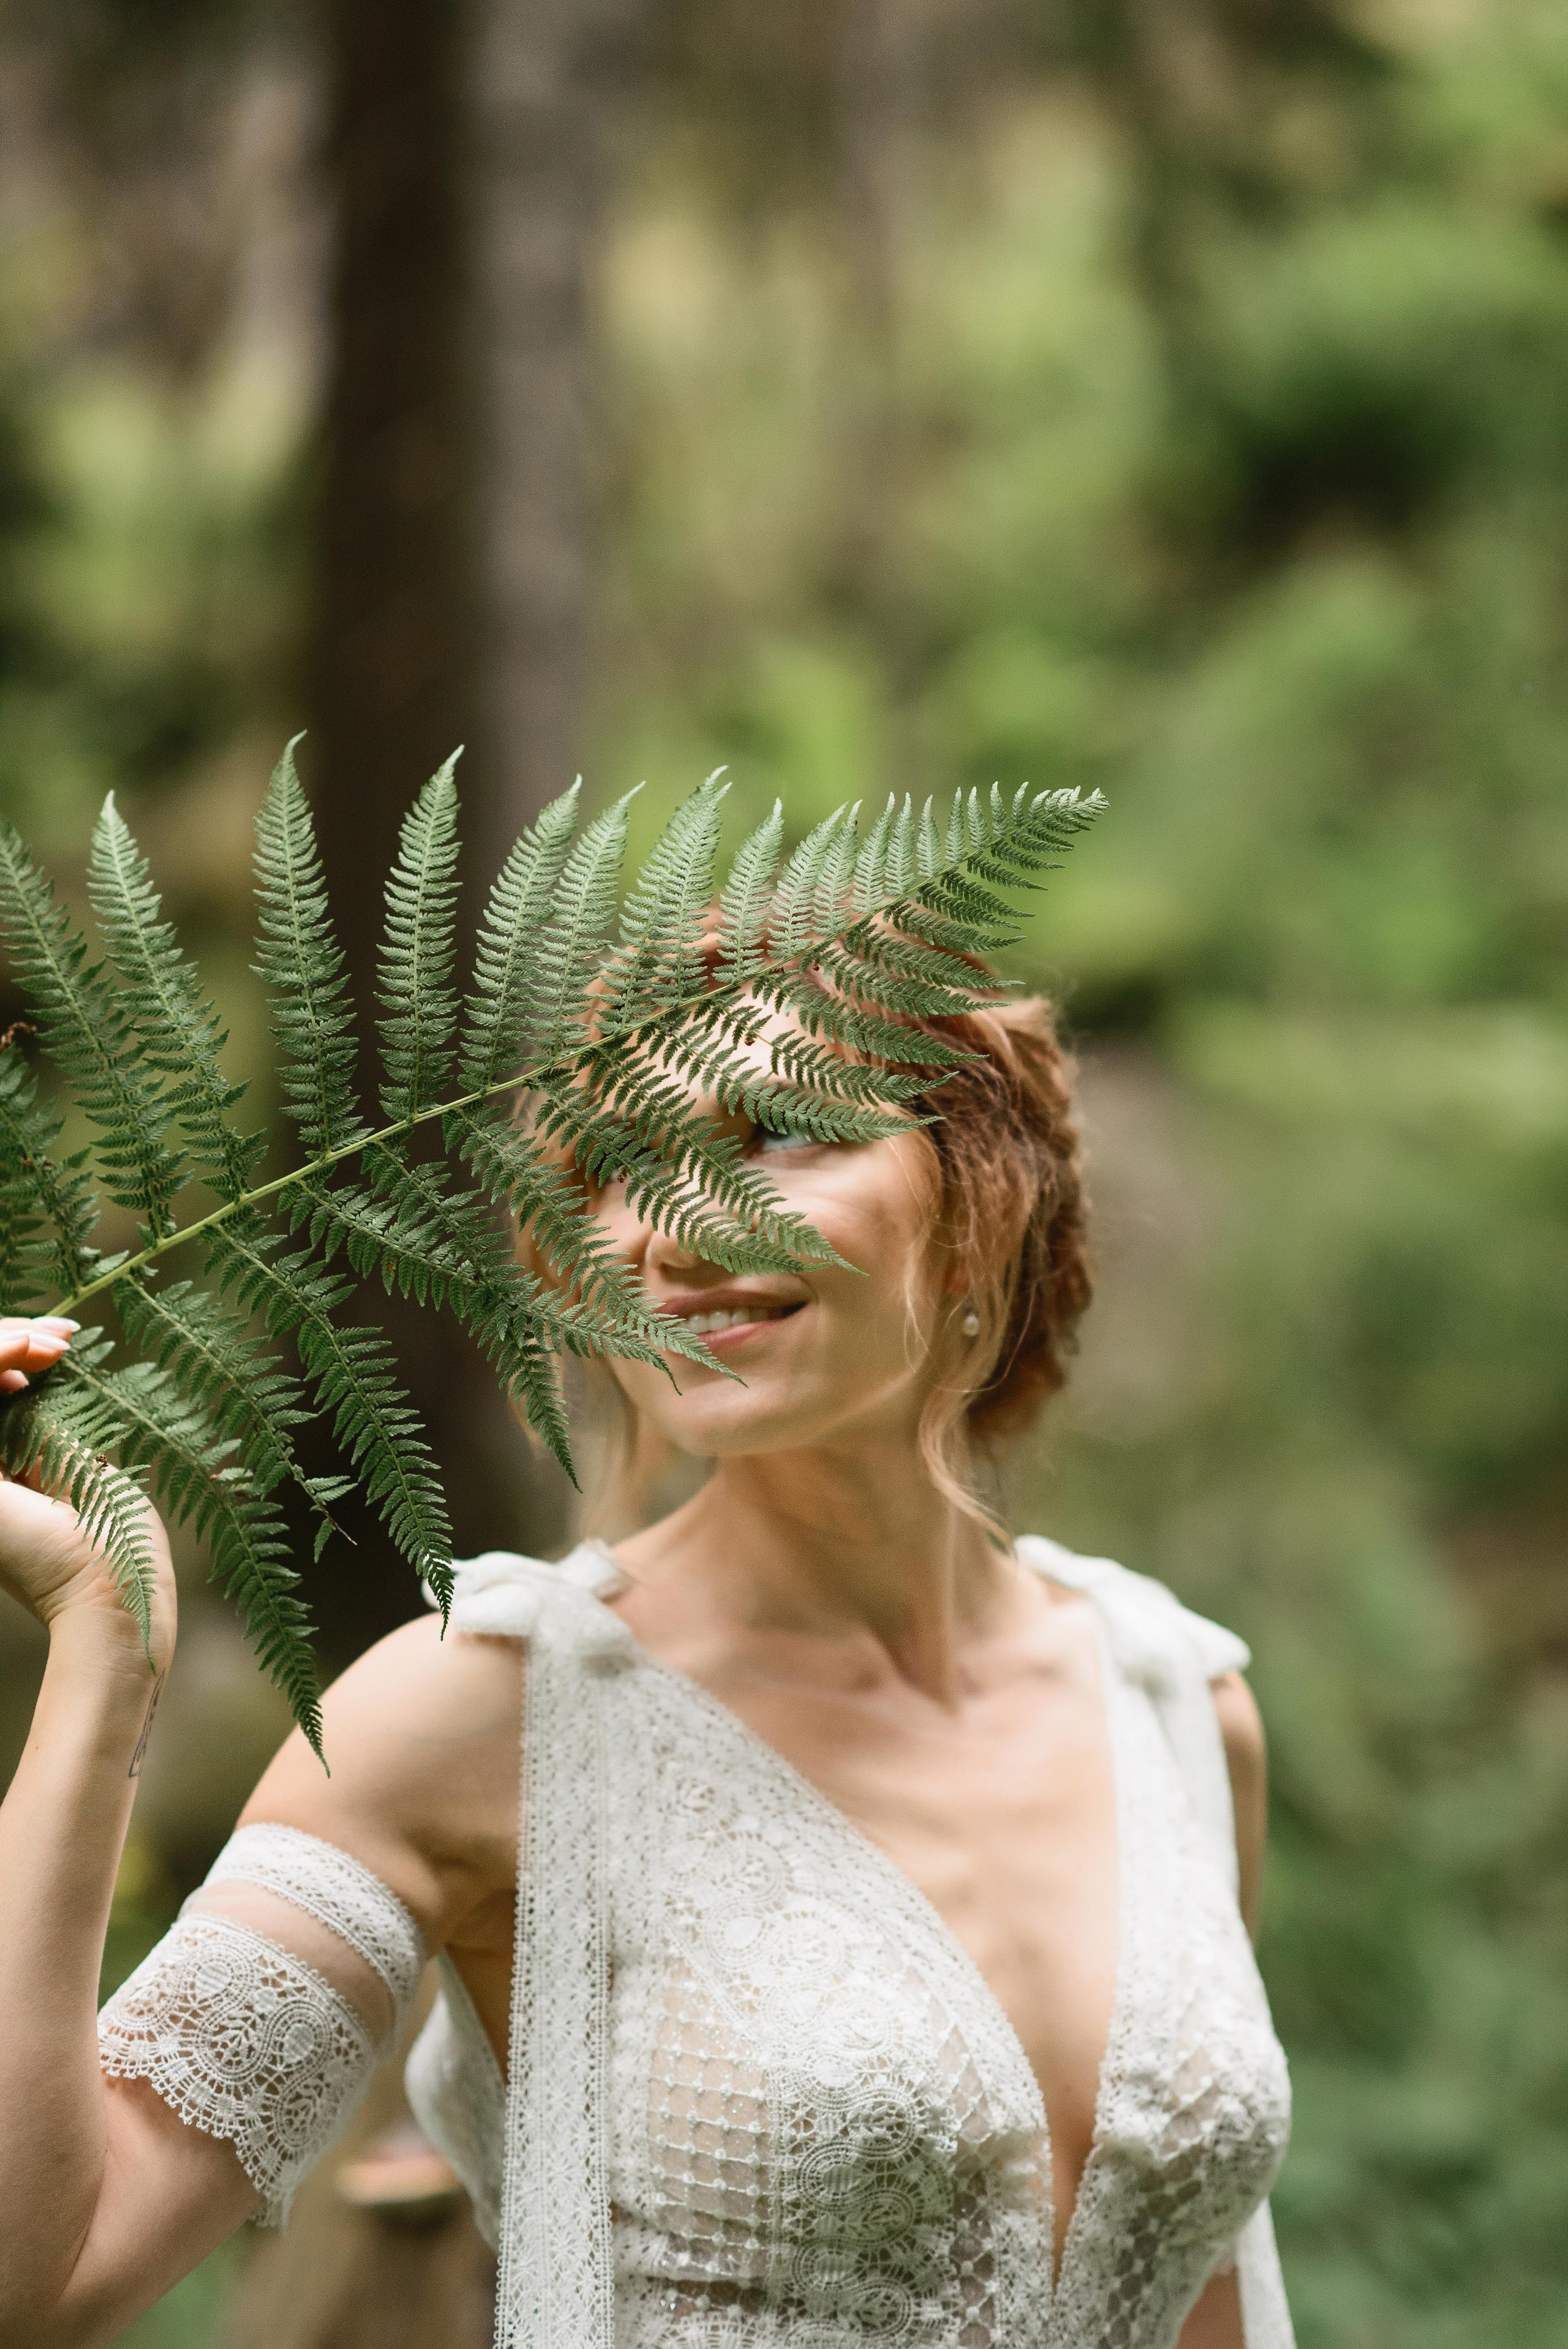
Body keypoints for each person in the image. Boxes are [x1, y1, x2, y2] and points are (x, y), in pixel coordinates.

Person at [0, 986, 1294, 2349]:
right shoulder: (491, 1709)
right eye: (613, 1173)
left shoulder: (1176, 1708)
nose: (674, 1225)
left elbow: (1208, 2288)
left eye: (779, 1133)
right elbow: (42, 2276)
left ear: (984, 1201)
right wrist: (106, 1643)